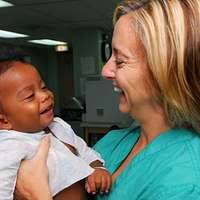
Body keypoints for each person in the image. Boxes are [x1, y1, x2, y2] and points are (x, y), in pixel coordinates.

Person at [16, 0, 200, 199]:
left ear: (165, 70)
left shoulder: (184, 181)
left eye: (120, 61)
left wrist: (36, 195)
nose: (105, 71)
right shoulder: (113, 141)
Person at [0, 48, 111, 200]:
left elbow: (85, 151)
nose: (45, 95)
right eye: (30, 96)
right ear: (3, 120)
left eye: (43, 87)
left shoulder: (58, 126)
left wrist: (97, 167)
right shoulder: (9, 145)